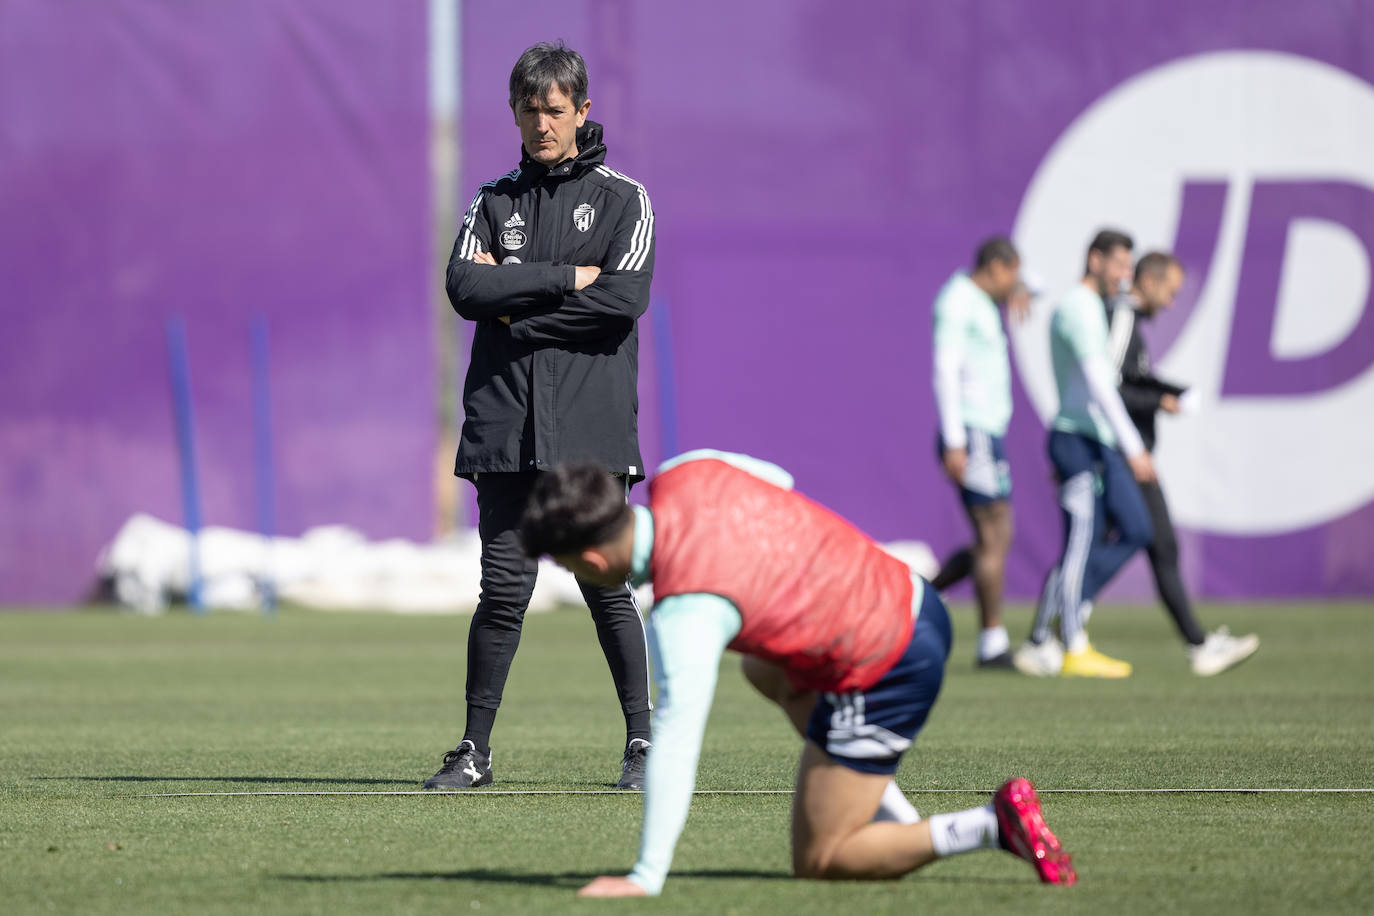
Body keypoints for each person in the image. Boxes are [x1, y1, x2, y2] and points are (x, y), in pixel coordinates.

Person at [520, 451, 1078, 898]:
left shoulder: (686, 612)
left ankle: (991, 825)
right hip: (909, 593)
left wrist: (646, 874)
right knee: (764, 668)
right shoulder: (688, 470)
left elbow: (677, 740)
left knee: (822, 860)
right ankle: (879, 797)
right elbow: (776, 481)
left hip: (891, 663)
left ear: (591, 565)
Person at [426, 41, 656, 790]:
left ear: (582, 110)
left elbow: (621, 302)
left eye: (555, 110)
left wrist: (518, 313)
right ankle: (474, 753)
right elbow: (464, 287)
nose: (542, 123)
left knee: (605, 588)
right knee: (501, 594)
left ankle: (644, 747)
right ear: (515, 113)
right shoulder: (492, 202)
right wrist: (563, 279)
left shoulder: (626, 199)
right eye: (530, 110)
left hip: (588, 436)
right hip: (505, 433)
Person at [1109, 253, 1260, 676]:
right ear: (1151, 281)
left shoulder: (1128, 319)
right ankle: (1048, 638)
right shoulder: (1122, 316)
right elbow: (1110, 387)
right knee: (1152, 543)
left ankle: (1050, 637)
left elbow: (1130, 379)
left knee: (1134, 547)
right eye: (1171, 292)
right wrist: (1161, 401)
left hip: (1126, 451)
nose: (1172, 303)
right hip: (1121, 452)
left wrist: (1170, 390)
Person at [1014, 229, 1155, 679]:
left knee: (1131, 529)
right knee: (1079, 545)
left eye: (1129, 268)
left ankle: (1049, 629)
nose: (1125, 276)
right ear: (1095, 260)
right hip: (1076, 438)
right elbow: (1099, 383)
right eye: (1119, 265)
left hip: (1092, 439)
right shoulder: (1078, 308)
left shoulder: (1095, 308)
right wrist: (1133, 446)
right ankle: (1070, 642)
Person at [930, 236, 1027, 668]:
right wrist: (955, 439)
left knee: (996, 536)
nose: (1017, 286)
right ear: (996, 267)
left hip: (986, 430)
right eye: (1013, 276)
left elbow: (1035, 283)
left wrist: (1024, 287)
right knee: (993, 536)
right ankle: (992, 643)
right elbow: (945, 370)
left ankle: (922, 597)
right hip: (971, 432)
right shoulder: (958, 302)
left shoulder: (981, 298)